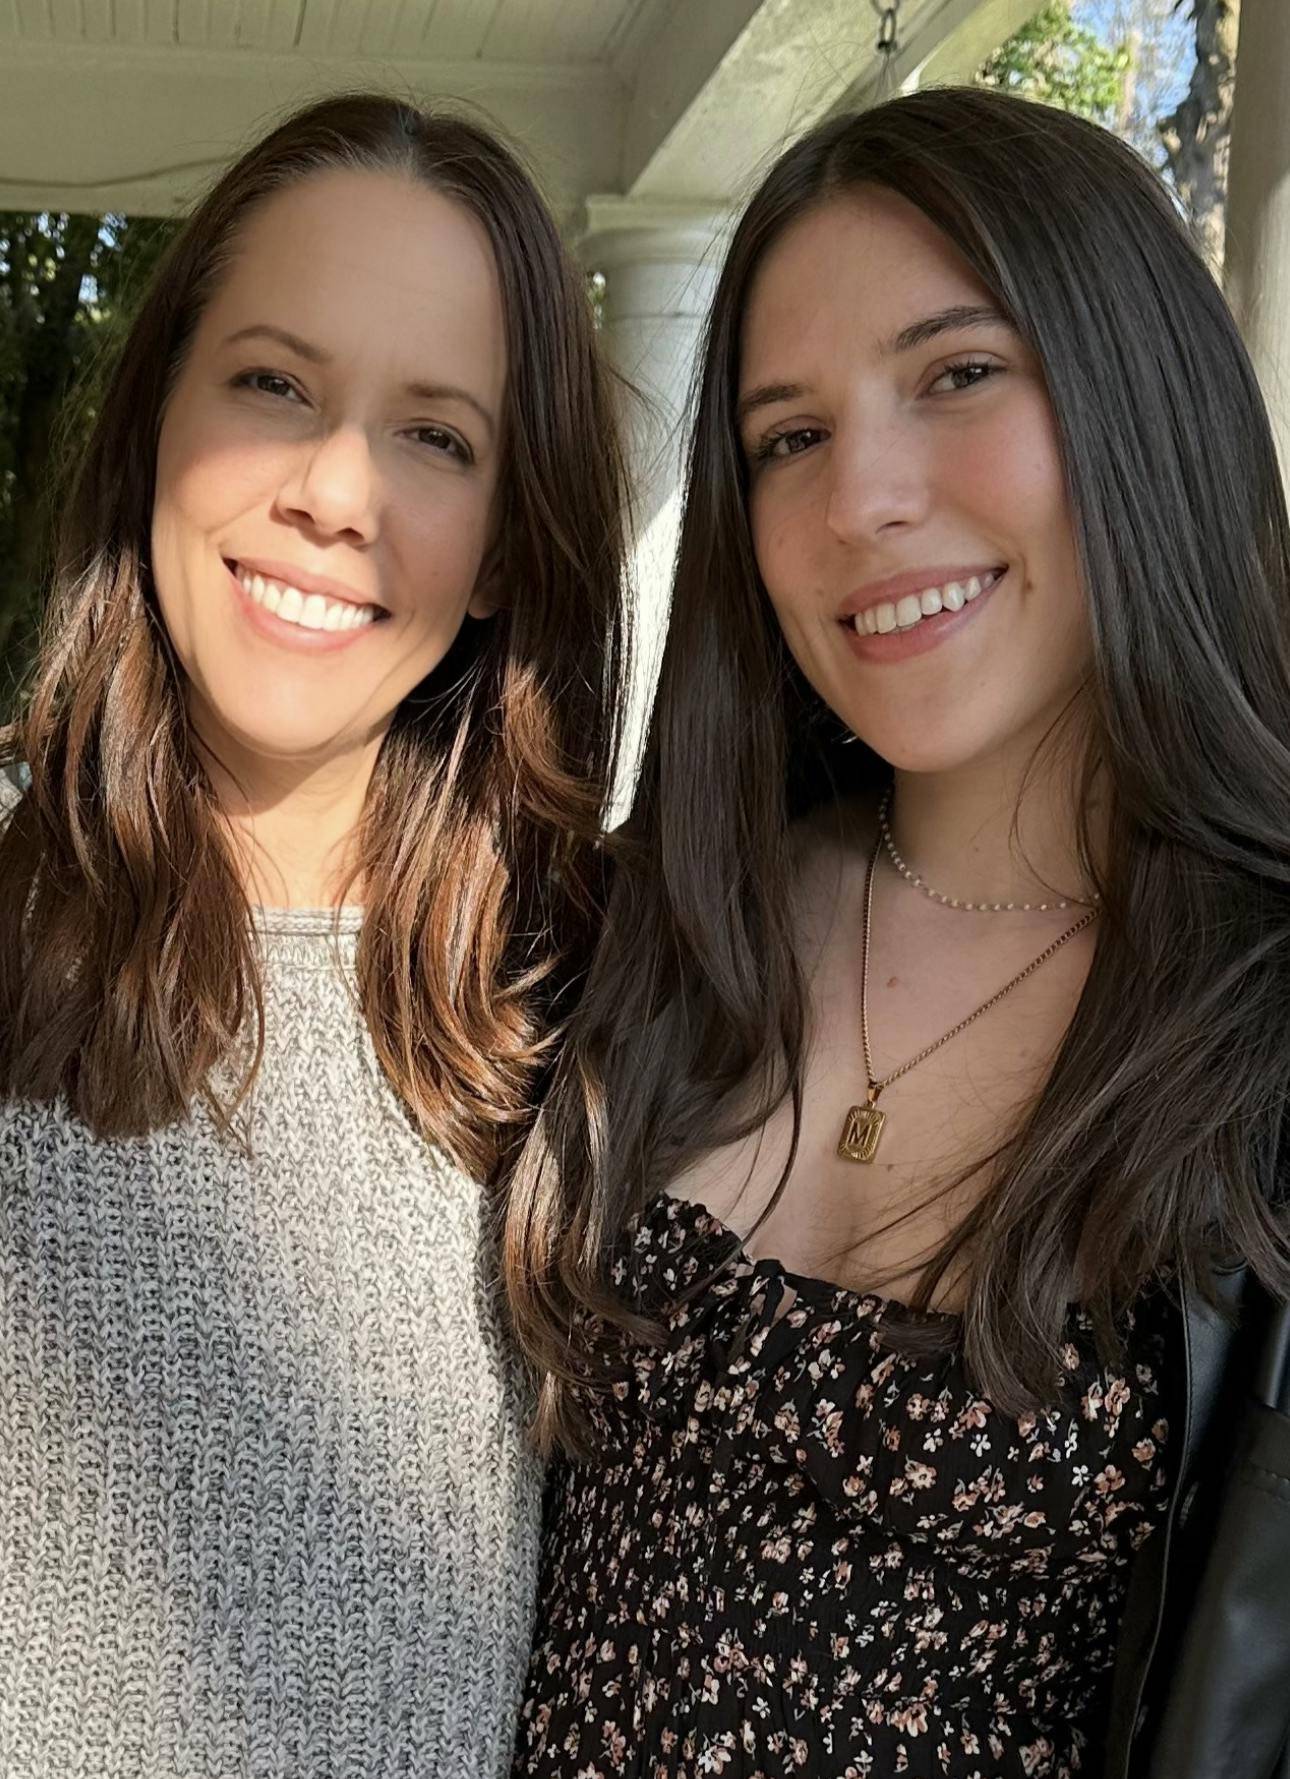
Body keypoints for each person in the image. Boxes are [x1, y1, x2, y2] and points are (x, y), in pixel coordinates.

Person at [505, 86, 1290, 1779]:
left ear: (1133, 392)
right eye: (786, 436)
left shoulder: (1263, 1019)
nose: (859, 498)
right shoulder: (651, 921)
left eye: (955, 375)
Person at [0, 93, 627, 1778]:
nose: (334, 492)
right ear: (156, 426)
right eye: (273, 384)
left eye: (438, 436)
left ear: (505, 547)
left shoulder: (590, 990)